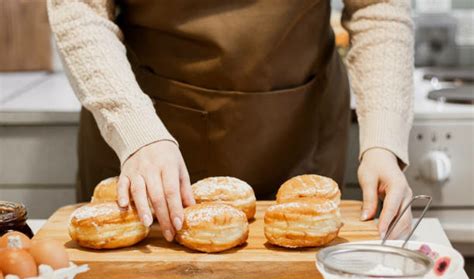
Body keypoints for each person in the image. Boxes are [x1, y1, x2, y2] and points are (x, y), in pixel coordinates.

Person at [48, 0, 414, 242]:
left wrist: (383, 139)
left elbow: (378, 6)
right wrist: (136, 131)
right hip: (146, 124)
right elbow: (81, 10)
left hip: (297, 126)